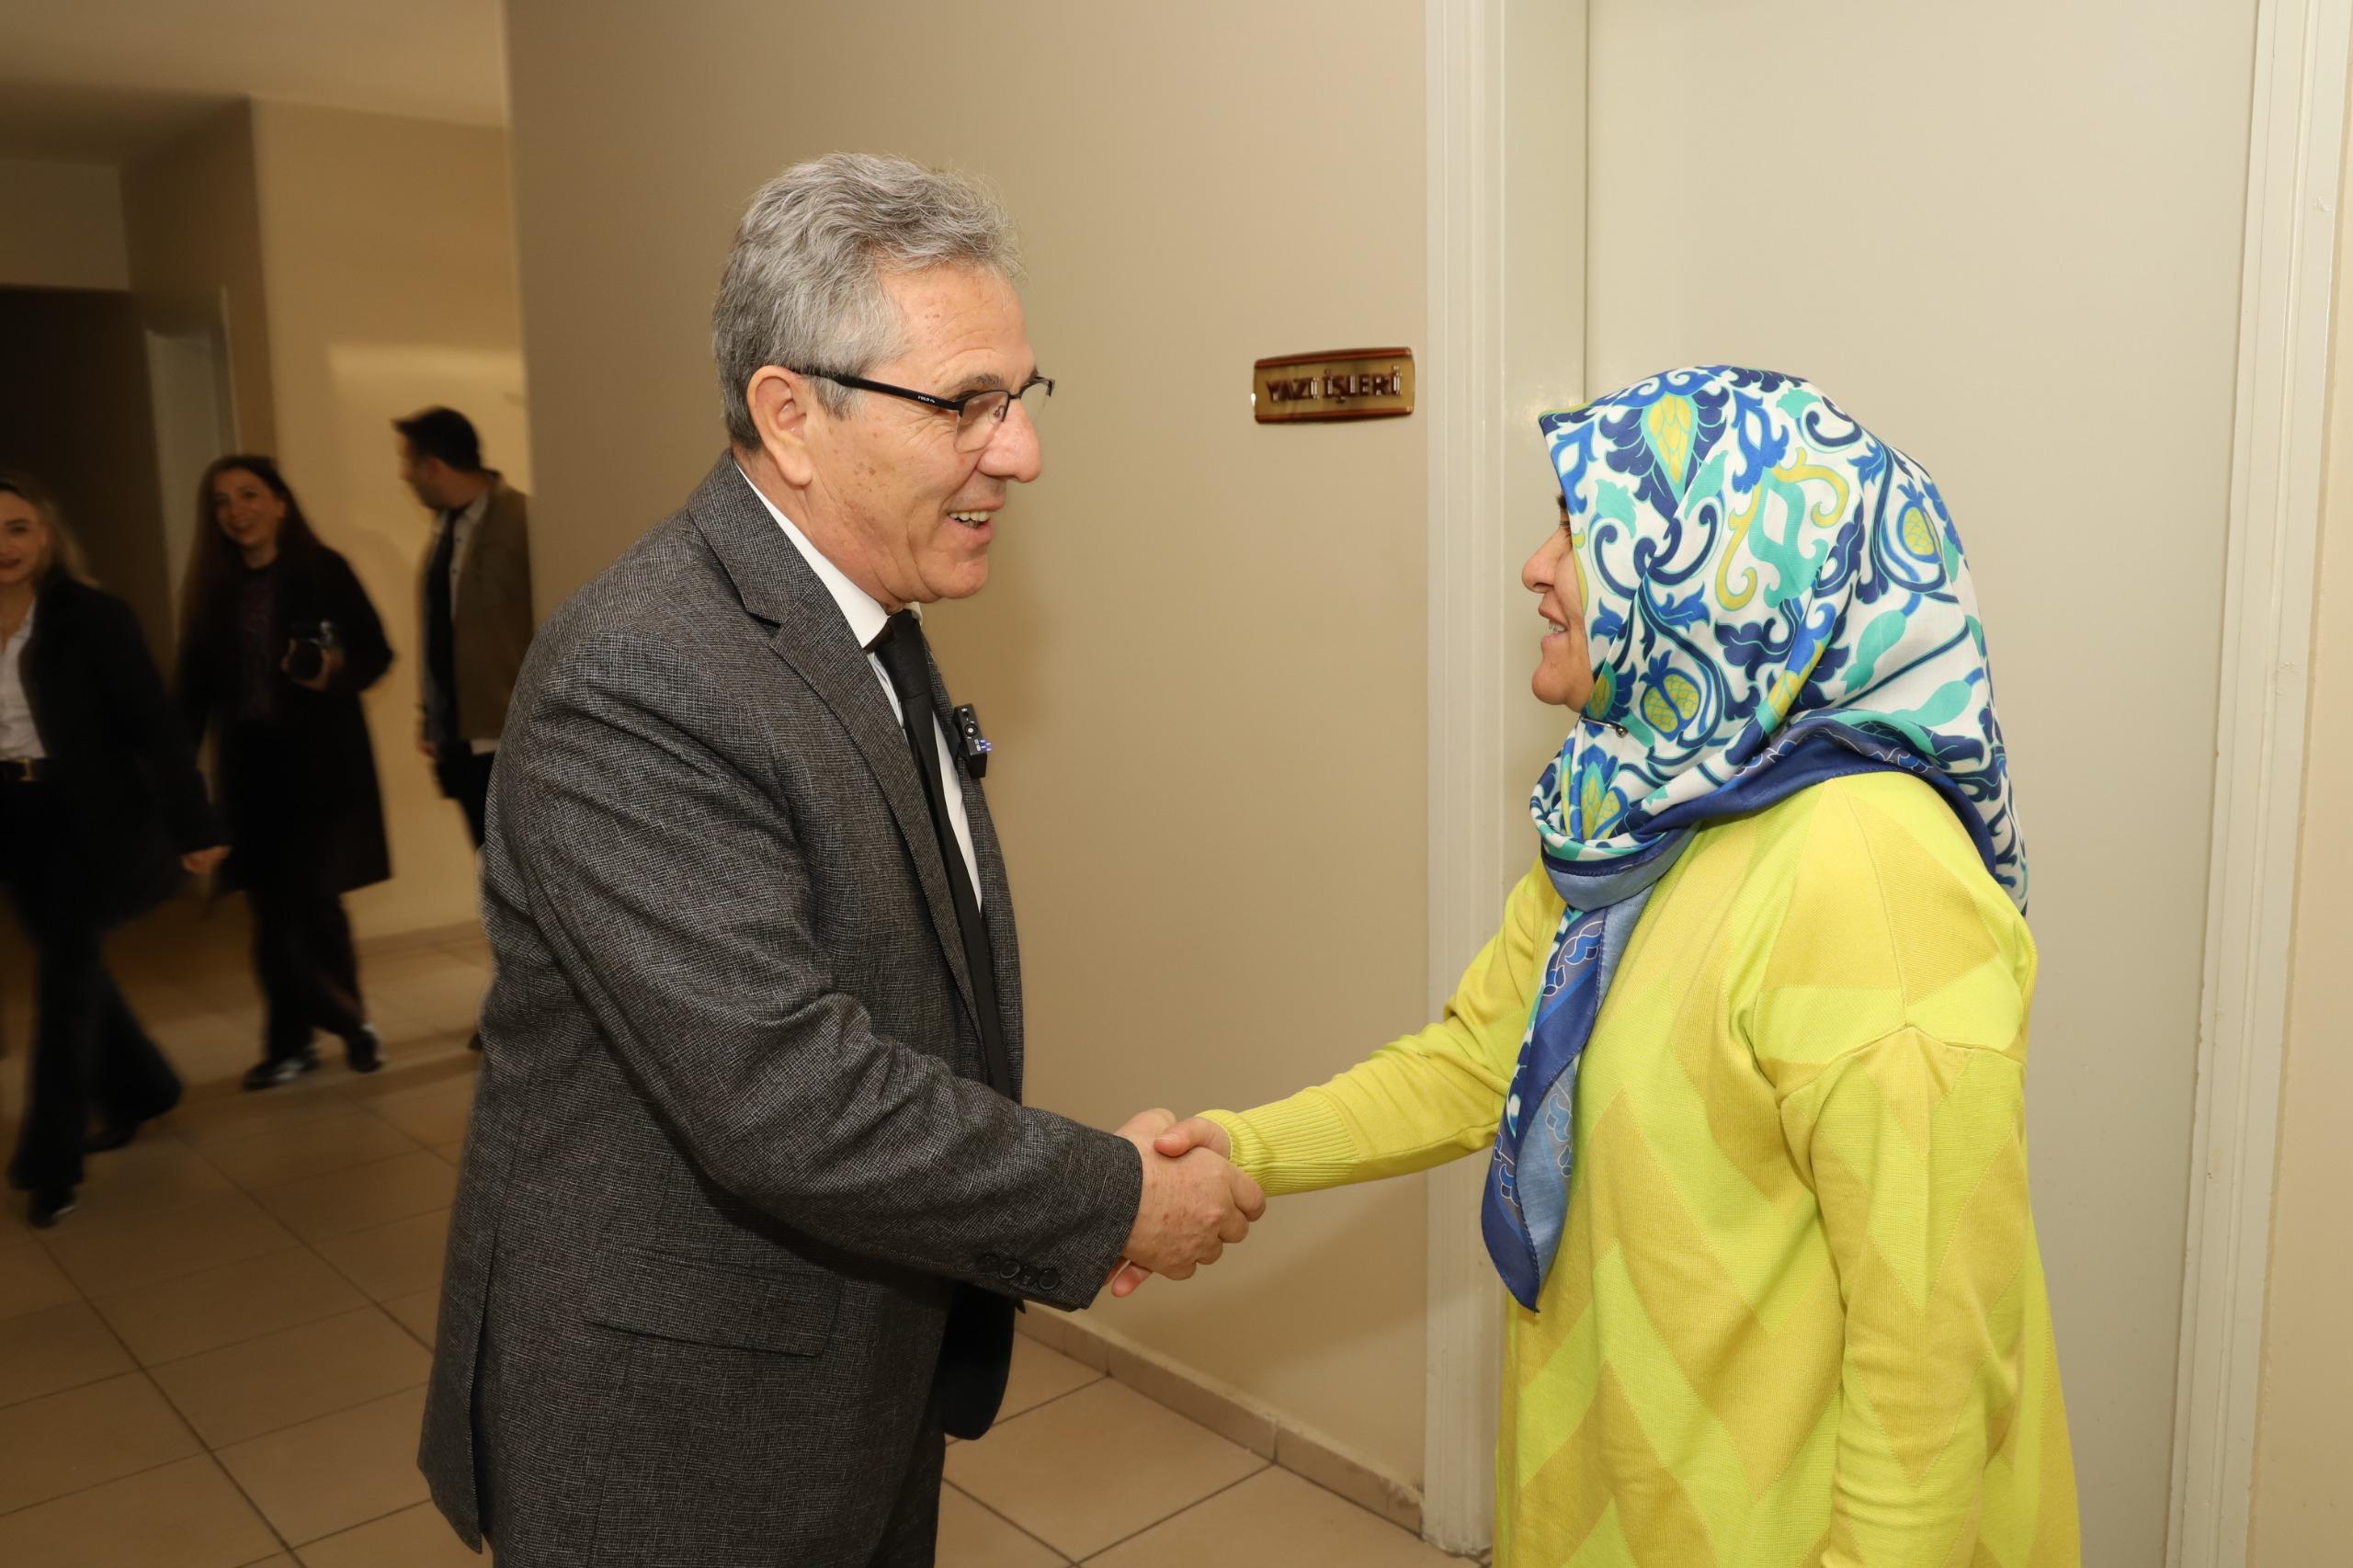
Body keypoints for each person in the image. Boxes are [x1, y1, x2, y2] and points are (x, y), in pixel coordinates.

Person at [417, 153, 1263, 1568]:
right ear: (791, 416)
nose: (1021, 451)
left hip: (859, 1374)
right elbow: (787, 1092)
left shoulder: (864, 610)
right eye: (966, 404)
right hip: (683, 1433)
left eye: (1022, 397)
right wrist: (1112, 1196)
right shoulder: (642, 674)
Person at [1142, 367, 2081, 1567]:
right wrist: (1237, 1148)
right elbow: (1477, 1061)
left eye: (1582, 530)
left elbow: (1932, 1375)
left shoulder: (1873, 879)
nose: (1537, 565)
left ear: (1726, 570)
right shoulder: (1634, 804)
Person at [0, 472, 223, 1227]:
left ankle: (50, 1163)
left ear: (46, 536)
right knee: (73, 961)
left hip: (83, 818)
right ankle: (143, 1088)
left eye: (18, 528)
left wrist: (195, 823)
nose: (5, 546)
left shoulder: (92, 617)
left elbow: (154, 726)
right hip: (11, 815)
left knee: (63, 981)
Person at [176, 456, 393, 1090]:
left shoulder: (325, 571)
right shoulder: (215, 588)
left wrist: (331, 671)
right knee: (270, 914)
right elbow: (191, 692)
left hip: (321, 768)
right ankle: (290, 1044)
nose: (236, 511)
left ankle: (352, 1025)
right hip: (251, 772)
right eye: (222, 501)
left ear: (279, 503)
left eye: (249, 495)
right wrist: (176, 777)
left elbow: (376, 654)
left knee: (315, 905)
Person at [394, 405, 534, 850]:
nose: (404, 475)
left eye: (408, 462)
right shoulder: (446, 534)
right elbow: (443, 629)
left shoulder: (524, 521)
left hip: (511, 737)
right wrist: (432, 717)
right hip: (460, 740)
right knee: (492, 867)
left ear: (433, 465)